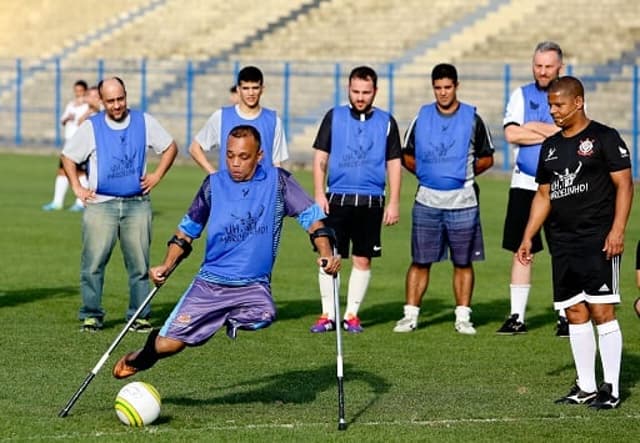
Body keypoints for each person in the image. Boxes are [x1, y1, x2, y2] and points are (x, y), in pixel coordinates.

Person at [111, 125, 341, 379]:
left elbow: (314, 222)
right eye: (230, 155)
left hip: (252, 285)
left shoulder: (278, 182)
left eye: (243, 157)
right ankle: (141, 357)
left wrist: (326, 254)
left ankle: (224, 319)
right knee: (169, 345)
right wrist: (165, 265)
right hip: (209, 284)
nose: (235, 163)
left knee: (265, 314)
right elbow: (186, 232)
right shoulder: (213, 184)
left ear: (259, 156)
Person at [517, 76, 633, 409]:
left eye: (559, 105)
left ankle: (610, 388)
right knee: (574, 312)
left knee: (601, 310)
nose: (553, 111)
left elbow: (625, 186)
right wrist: (528, 235)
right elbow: (544, 194)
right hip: (562, 241)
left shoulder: (604, 137)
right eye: (550, 105)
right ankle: (586, 386)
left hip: (598, 237)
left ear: (578, 102)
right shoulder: (551, 146)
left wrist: (618, 230)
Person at [61, 77, 178, 332]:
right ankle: (92, 315)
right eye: (111, 101)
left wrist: (156, 176)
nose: (117, 105)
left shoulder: (144, 121)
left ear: (126, 95)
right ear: (101, 101)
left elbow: (170, 147)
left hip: (137, 204)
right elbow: (68, 157)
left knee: (138, 264)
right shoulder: (91, 127)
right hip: (100, 205)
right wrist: (76, 187)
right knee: (93, 264)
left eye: (120, 99)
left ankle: (139, 317)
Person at [393, 63, 494, 335]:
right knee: (420, 260)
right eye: (438, 88)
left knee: (463, 261)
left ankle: (463, 316)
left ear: (456, 86)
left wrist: (464, 172)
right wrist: (426, 172)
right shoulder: (421, 117)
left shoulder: (473, 119)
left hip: (463, 202)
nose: (443, 93)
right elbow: (406, 154)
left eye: (447, 87)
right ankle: (410, 315)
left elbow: (487, 157)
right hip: (427, 201)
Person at [309, 66, 402, 334]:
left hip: (371, 203)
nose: (360, 97)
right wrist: (318, 194)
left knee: (363, 259)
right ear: (348, 89)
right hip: (336, 200)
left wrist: (394, 201)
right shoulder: (334, 117)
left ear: (375, 91)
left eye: (366, 92)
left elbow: (394, 163)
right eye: (355, 91)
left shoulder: (386, 121)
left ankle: (351, 315)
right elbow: (320, 158)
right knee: (329, 255)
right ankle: (328, 314)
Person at [497, 41, 568, 336]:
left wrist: (532, 127)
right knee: (521, 249)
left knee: (563, 250)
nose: (542, 71)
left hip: (562, 185)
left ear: (559, 67)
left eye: (548, 66)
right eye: (538, 65)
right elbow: (511, 133)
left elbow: (570, 132)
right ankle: (517, 317)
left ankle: (566, 315)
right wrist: (549, 130)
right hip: (524, 184)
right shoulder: (520, 95)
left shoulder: (571, 95)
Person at [188, 66, 289, 173]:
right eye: (246, 88)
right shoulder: (221, 116)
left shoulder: (274, 121)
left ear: (262, 89)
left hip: (263, 189)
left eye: (255, 88)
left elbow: (277, 163)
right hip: (229, 189)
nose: (251, 93)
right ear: (238, 90)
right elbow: (195, 148)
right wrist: (214, 175)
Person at [43, 80, 90, 212]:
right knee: (62, 171)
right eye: (76, 91)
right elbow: (62, 121)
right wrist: (67, 118)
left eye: (80, 91)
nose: (78, 93)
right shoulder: (71, 105)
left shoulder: (88, 106)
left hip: (80, 143)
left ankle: (81, 203)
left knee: (80, 172)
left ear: (85, 91)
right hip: (68, 143)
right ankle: (57, 202)